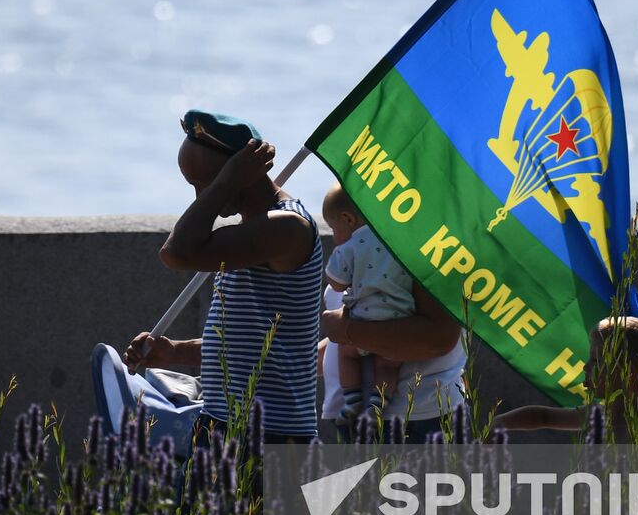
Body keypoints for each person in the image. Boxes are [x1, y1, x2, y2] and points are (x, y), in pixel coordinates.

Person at [124, 111, 324, 443]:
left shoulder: (288, 228)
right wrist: (175, 352)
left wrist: (225, 183)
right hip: (222, 422)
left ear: (239, 171)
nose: (200, 197)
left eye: (204, 183)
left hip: (269, 434)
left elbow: (175, 253)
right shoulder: (250, 234)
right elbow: (245, 344)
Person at [319, 247, 466, 444]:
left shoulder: (417, 253)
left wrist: (347, 331)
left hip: (413, 414)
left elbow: (440, 339)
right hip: (353, 415)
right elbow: (337, 343)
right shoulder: (360, 251)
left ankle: (368, 403)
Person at [322, 183, 413, 423]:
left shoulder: (351, 247)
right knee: (388, 367)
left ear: (347, 219)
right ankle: (377, 404)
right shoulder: (398, 241)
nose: (334, 235)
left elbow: (337, 284)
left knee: (347, 354)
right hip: (397, 321)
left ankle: (352, 401)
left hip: (362, 319)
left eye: (333, 228)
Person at [490, 316, 638, 437]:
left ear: (629, 374)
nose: (585, 367)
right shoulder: (597, 414)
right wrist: (499, 423)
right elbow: (542, 416)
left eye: (596, 361)